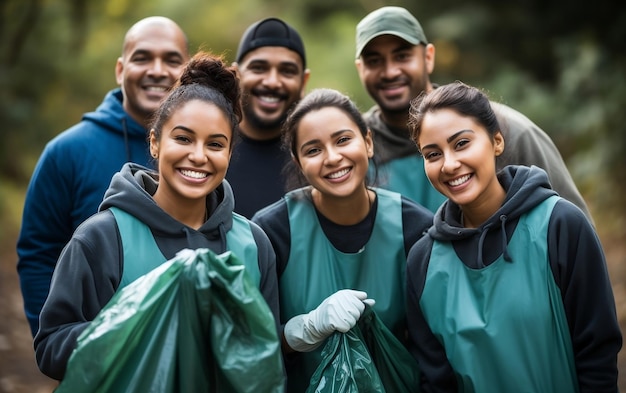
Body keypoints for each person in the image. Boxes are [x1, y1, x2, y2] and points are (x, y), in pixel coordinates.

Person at [34, 51, 281, 381]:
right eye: (183, 138)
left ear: (230, 153)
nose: (198, 156)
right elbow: (51, 349)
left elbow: (266, 357)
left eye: (215, 144)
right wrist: (140, 321)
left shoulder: (253, 244)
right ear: (155, 143)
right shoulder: (102, 238)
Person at [405, 81, 621, 392]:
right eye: (433, 153)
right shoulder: (423, 262)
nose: (450, 164)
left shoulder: (561, 226)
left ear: (496, 141)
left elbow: (597, 357)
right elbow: (437, 382)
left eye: (462, 143)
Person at [17, 16, 191, 337]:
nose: (156, 70)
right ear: (120, 70)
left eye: (171, 59)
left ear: (188, 71)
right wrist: (58, 345)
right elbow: (38, 255)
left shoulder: (206, 156)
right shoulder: (66, 152)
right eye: (142, 58)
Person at [252, 88, 434, 392]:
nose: (333, 158)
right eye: (313, 150)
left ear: (368, 142)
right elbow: (253, 343)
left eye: (342, 140)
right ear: (298, 162)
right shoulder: (273, 230)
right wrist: (302, 330)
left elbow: (432, 348)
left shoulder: (415, 228)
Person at [354, 6, 593, 220]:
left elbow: (574, 232)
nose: (390, 71)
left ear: (428, 57)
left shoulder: (505, 129)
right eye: (374, 61)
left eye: (402, 56)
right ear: (360, 68)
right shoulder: (351, 149)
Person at [227, 17, 310, 218]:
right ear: (236, 75)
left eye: (287, 71)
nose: (272, 82)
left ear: (303, 81)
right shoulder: (210, 150)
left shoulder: (316, 157)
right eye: (259, 68)